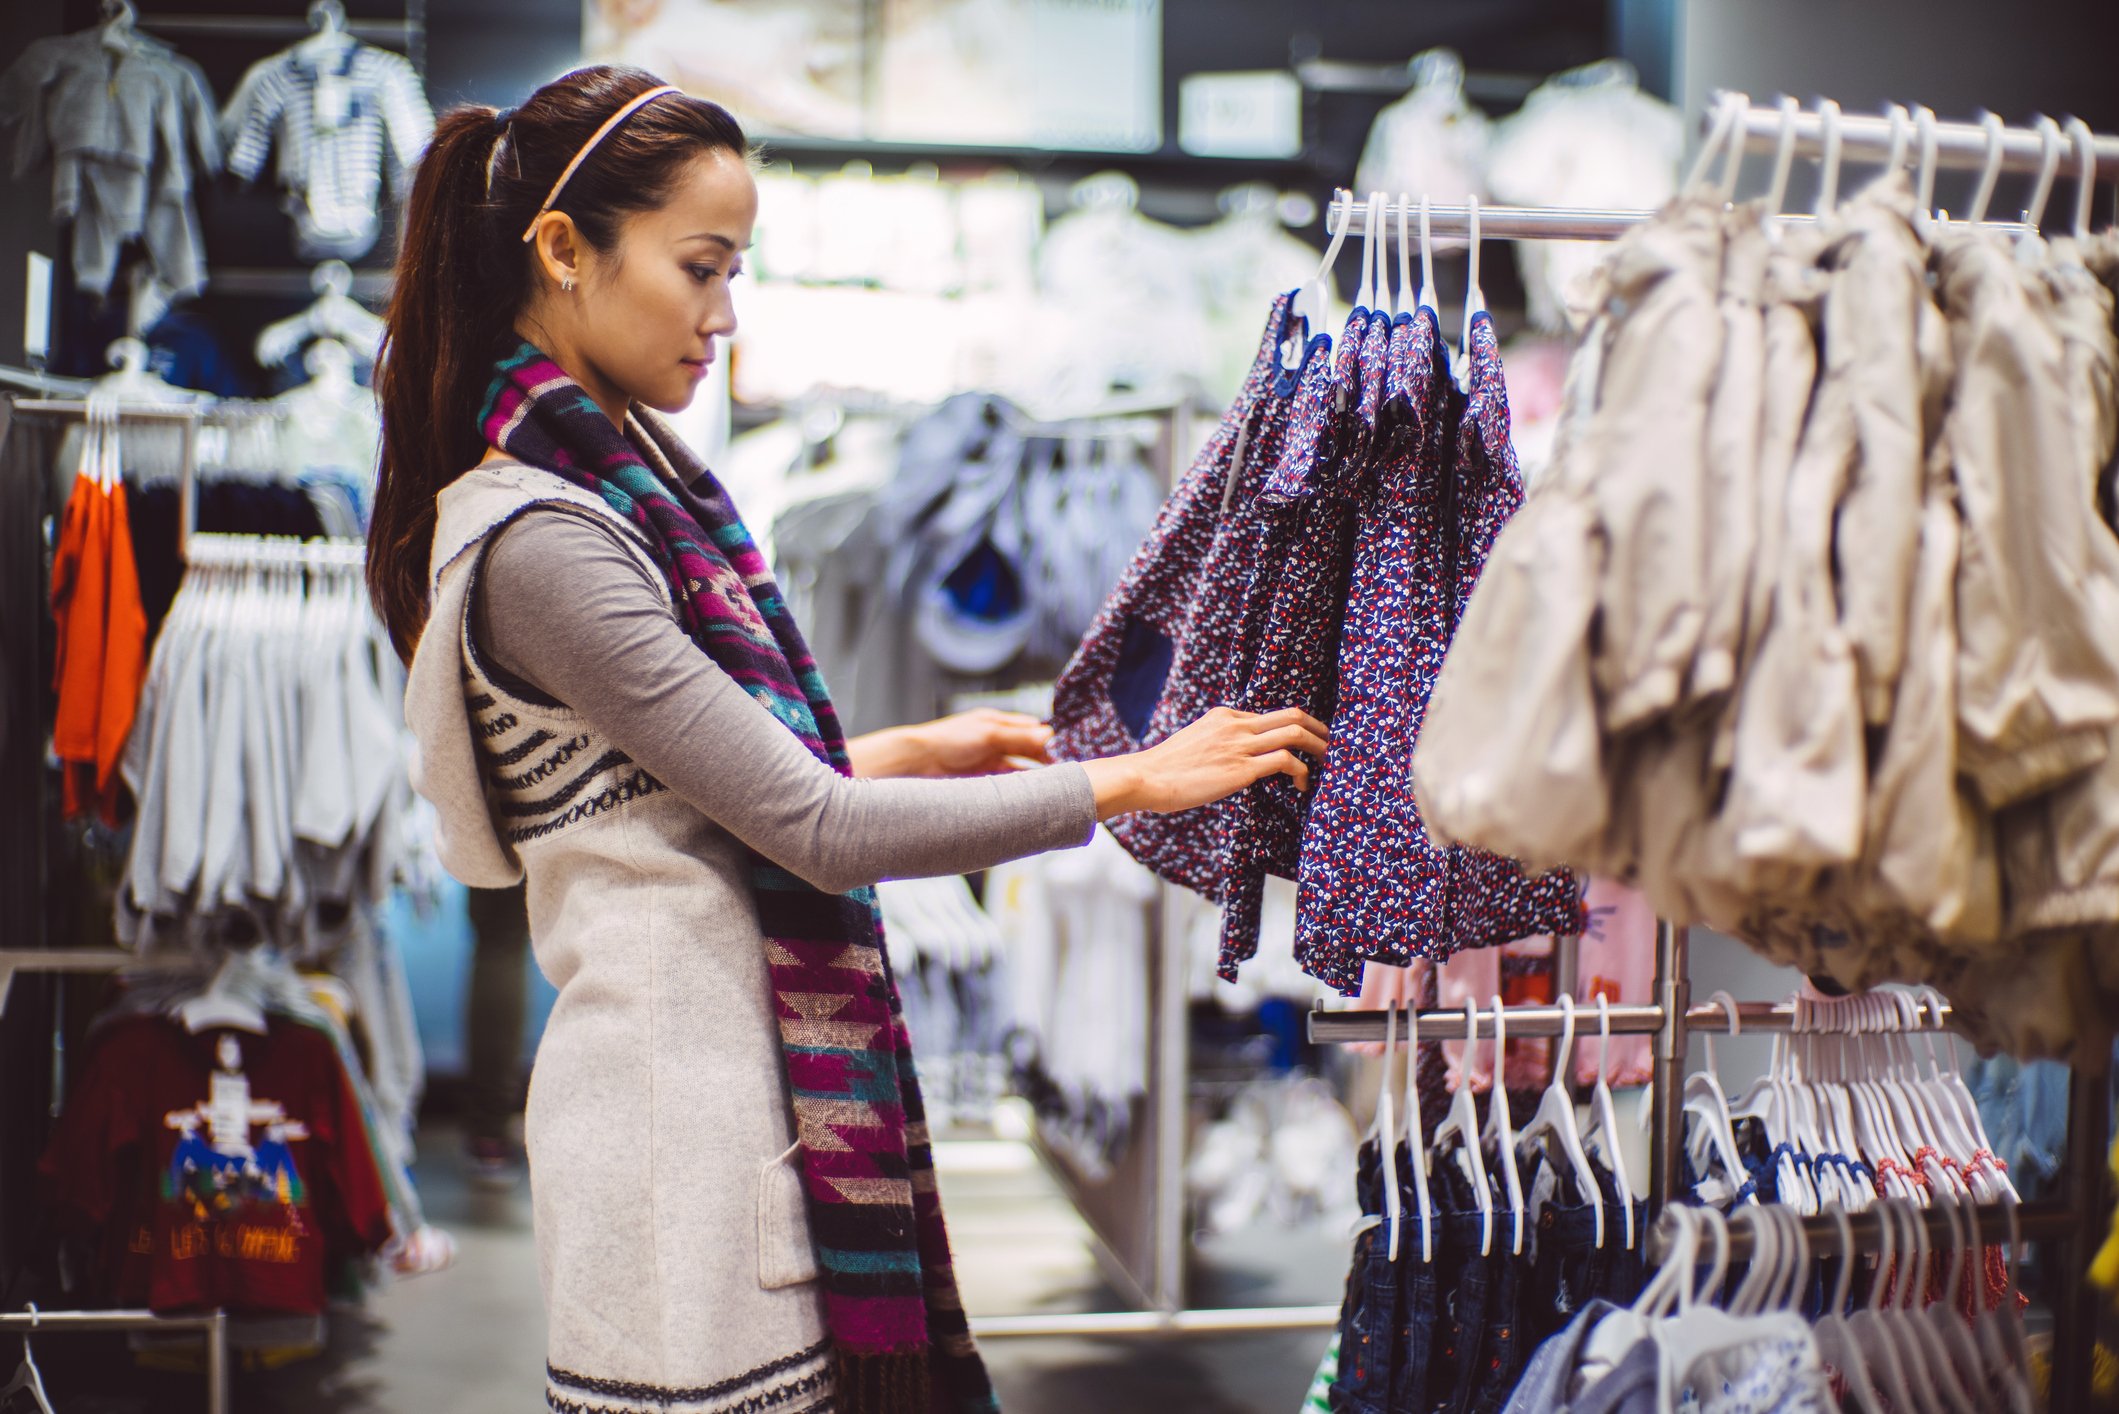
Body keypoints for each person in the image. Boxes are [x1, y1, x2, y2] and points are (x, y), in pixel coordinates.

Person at [368, 64, 1328, 1414]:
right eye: (700, 267)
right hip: (676, 1151)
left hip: (706, 1112)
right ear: (565, 250)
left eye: (735, 269)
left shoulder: (619, 498)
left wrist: (894, 749)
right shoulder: (550, 541)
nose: (724, 314)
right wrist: (1123, 782)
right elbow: (809, 828)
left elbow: (663, 802)